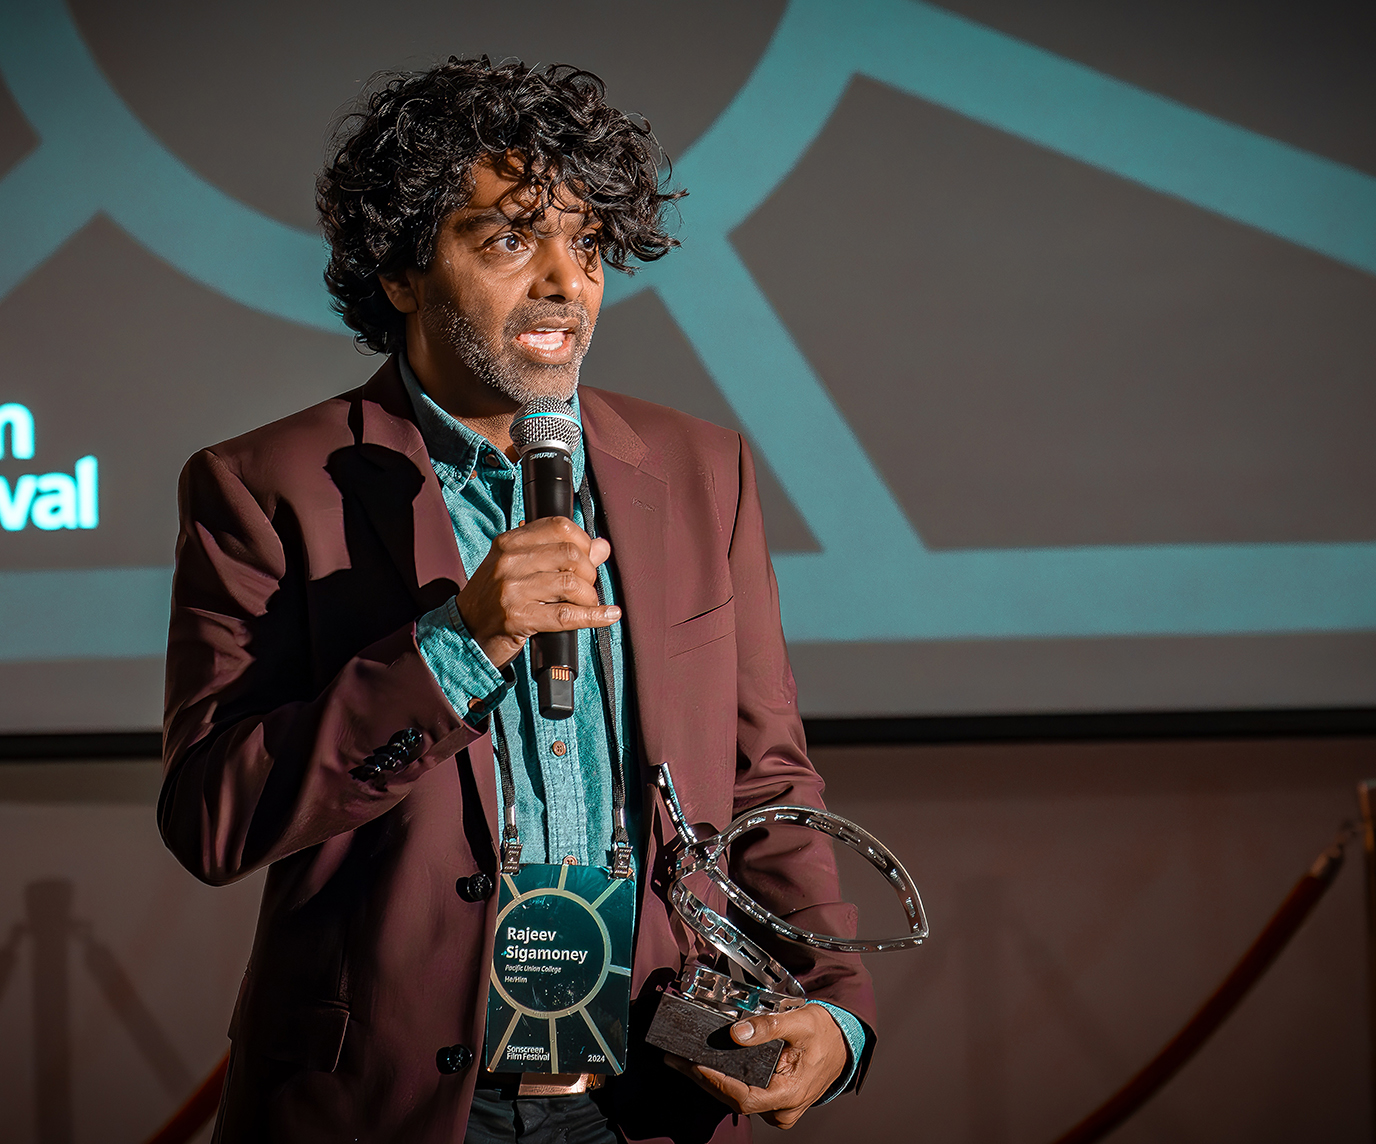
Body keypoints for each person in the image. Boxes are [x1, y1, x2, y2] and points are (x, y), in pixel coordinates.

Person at [159, 57, 873, 1144]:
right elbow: (214, 818)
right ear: (401, 271)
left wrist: (836, 1002)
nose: (563, 280)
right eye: (508, 240)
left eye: (585, 243)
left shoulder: (697, 467)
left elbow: (765, 774)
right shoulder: (263, 485)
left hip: (650, 1095)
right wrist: (459, 644)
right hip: (394, 1105)